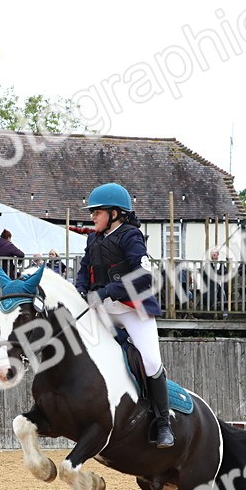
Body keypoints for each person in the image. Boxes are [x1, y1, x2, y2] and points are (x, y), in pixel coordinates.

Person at [75, 182, 174, 448]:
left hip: (133, 310)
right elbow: (84, 269)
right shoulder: (93, 238)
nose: (92, 216)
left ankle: (163, 423)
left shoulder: (131, 236)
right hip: (104, 311)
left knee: (152, 363)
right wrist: (81, 289)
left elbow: (143, 276)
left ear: (115, 213)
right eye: (93, 212)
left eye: (97, 212)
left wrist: (106, 290)